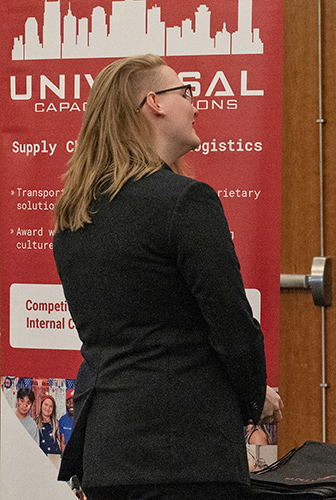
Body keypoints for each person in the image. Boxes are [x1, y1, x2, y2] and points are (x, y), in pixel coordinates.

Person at [53, 54, 283, 499]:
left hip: (107, 451)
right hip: (185, 455)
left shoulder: (74, 215)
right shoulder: (185, 201)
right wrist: (255, 397)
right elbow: (232, 325)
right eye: (186, 92)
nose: (195, 104)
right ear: (153, 102)